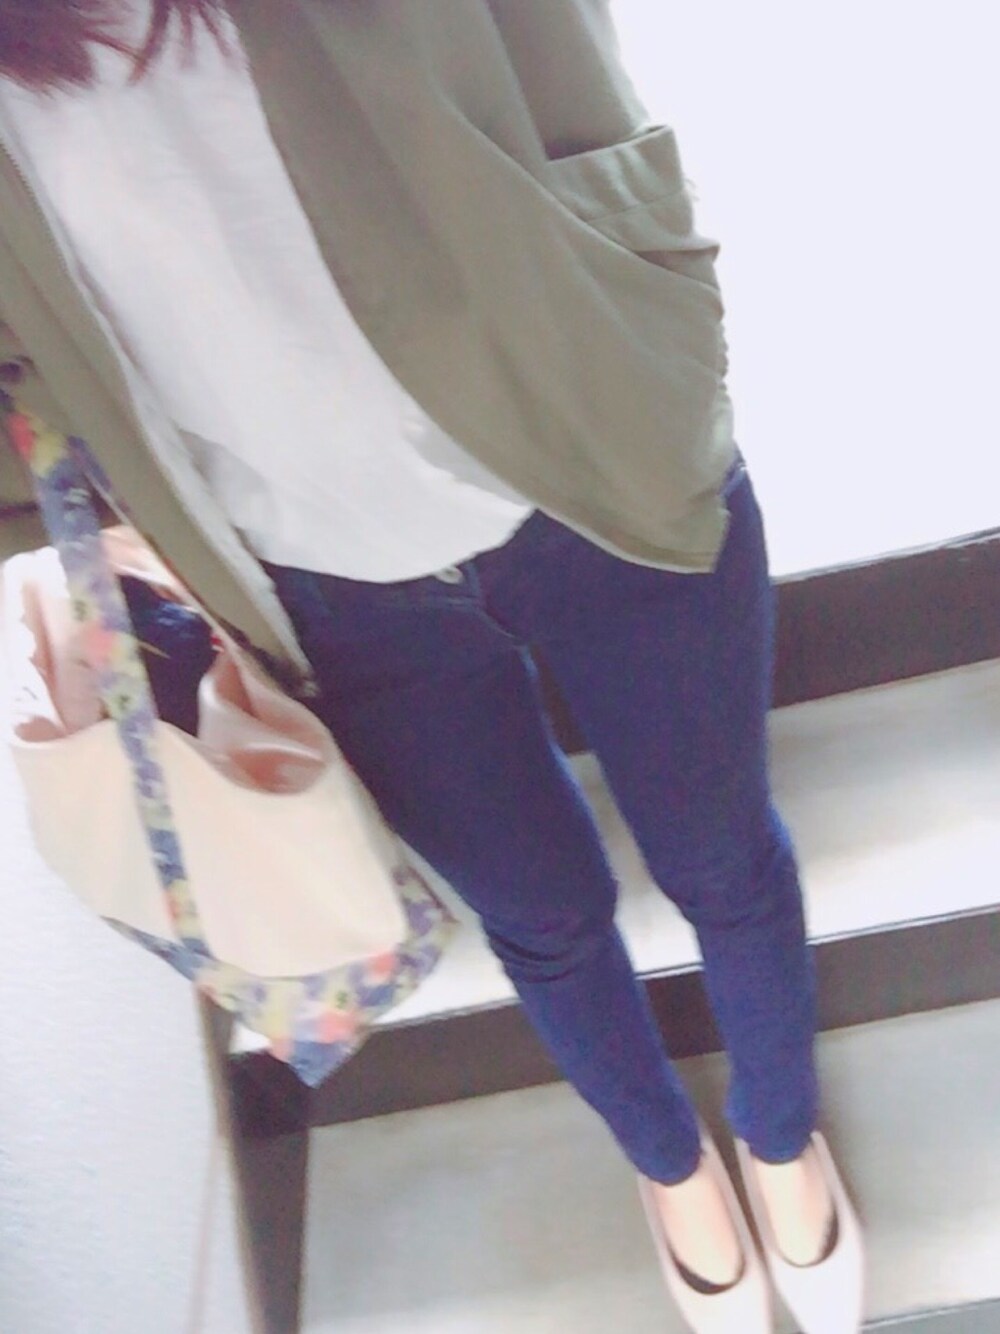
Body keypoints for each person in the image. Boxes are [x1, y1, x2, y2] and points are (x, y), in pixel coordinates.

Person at [0, 2, 864, 1328]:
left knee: (722, 857)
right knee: (543, 917)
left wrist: (658, 303)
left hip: (593, 469)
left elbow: (561, 58)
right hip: (331, 592)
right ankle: (669, 1163)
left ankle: (780, 1130)